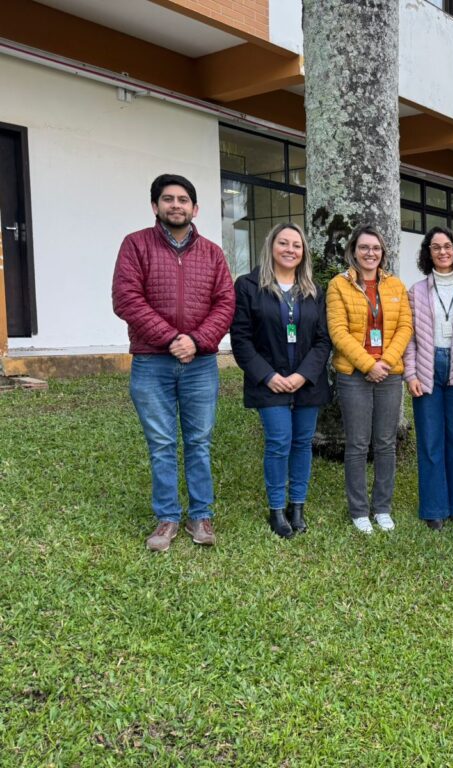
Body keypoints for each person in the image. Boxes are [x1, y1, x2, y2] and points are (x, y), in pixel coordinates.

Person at [112, 173, 235, 551]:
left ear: (195, 209)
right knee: (162, 442)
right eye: (168, 199)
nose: (176, 205)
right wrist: (171, 339)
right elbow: (126, 299)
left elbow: (225, 303)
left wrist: (196, 341)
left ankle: (201, 516)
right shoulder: (135, 246)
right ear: (155, 206)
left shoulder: (212, 253)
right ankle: (166, 518)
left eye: (183, 200)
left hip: (200, 363)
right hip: (152, 361)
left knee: (199, 441)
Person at [230, 222, 331, 539]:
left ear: (303, 253)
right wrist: (268, 376)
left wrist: (303, 375)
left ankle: (296, 507)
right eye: (284, 243)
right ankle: (276, 509)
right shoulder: (248, 286)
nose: (290, 250)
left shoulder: (314, 290)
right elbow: (241, 339)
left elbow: (323, 340)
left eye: (296, 245)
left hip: (307, 382)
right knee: (278, 443)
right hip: (268, 381)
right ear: (271, 246)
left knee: (302, 443)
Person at [326, 225, 413, 534]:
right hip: (354, 374)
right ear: (354, 251)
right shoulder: (339, 285)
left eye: (375, 248)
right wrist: (367, 364)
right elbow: (338, 331)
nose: (370, 253)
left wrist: (386, 362)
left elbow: (405, 326)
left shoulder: (396, 286)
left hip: (389, 374)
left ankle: (382, 507)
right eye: (364, 247)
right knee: (358, 443)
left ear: (383, 253)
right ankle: (359, 509)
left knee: (386, 443)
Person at [403, 226, 453, 529]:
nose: (442, 252)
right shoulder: (416, 291)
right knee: (430, 441)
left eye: (447, 246)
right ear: (428, 253)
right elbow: (409, 339)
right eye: (435, 247)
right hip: (427, 368)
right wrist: (410, 374)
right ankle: (433, 508)